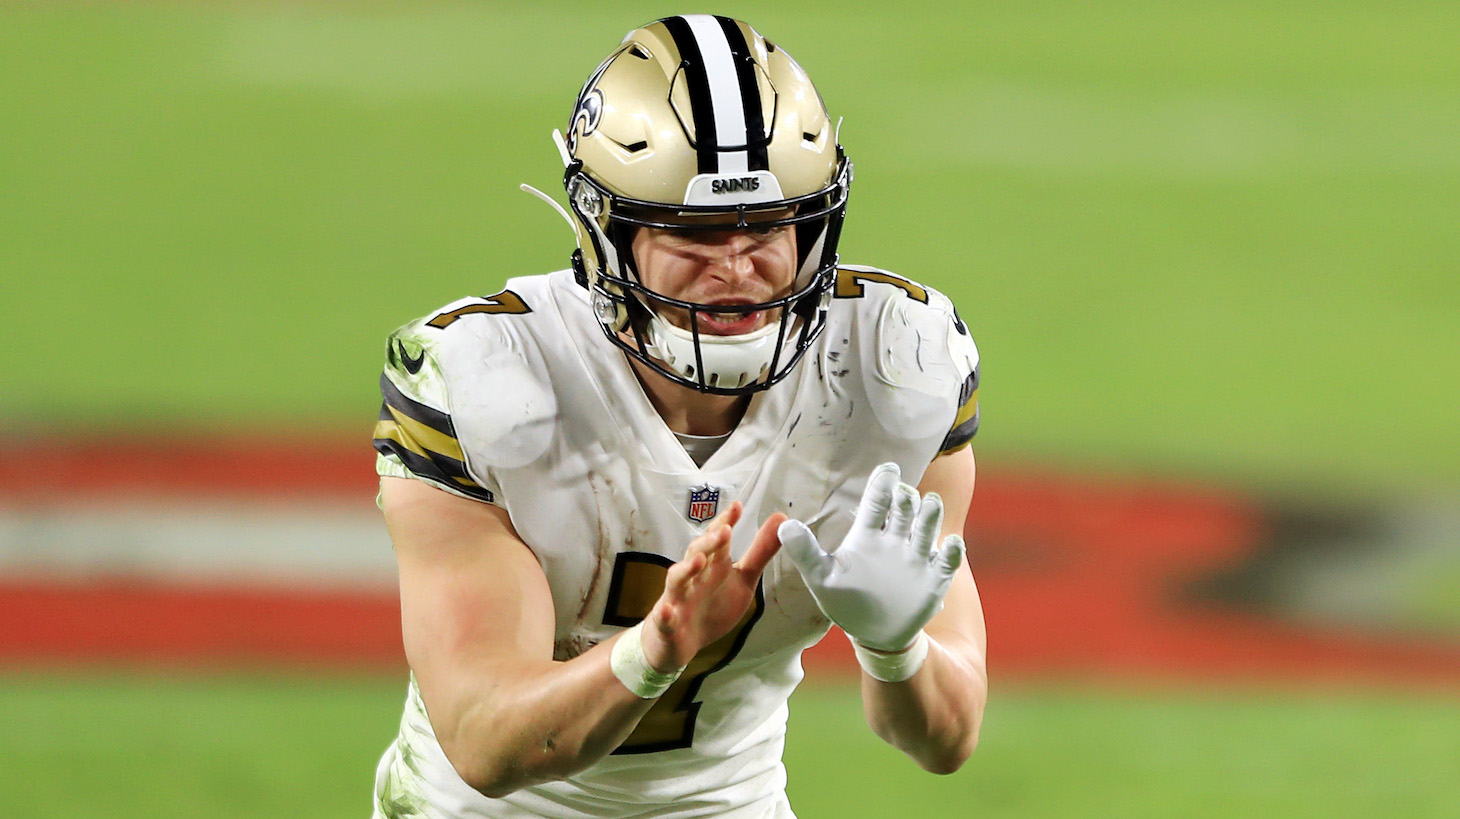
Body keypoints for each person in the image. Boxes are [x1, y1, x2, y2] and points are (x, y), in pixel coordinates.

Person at [369, 14, 986, 818]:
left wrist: (895, 647)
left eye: (769, 225)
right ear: (607, 233)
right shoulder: (489, 380)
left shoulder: (892, 368)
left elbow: (947, 739)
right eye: (690, 232)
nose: (736, 266)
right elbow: (486, 742)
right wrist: (656, 648)